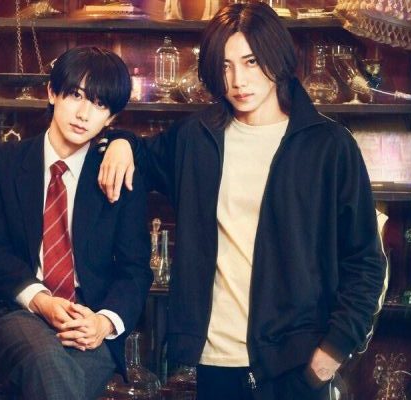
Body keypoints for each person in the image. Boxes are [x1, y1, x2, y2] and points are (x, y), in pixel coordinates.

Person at [98, 3, 387, 399]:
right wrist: (121, 142)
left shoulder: (329, 146)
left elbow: (366, 262)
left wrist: (332, 353)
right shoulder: (197, 137)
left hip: (297, 362)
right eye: (225, 66)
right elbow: (142, 157)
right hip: (215, 359)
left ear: (276, 58)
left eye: (251, 62)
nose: (237, 81)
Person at [0, 46, 153, 400]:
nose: (84, 114)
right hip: (18, 311)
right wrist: (42, 301)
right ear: (52, 92)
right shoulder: (4, 162)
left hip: (87, 320)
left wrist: (103, 322)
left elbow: (134, 270)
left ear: (111, 118)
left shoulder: (118, 173)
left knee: (57, 377)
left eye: (99, 104)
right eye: (76, 96)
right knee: (48, 362)